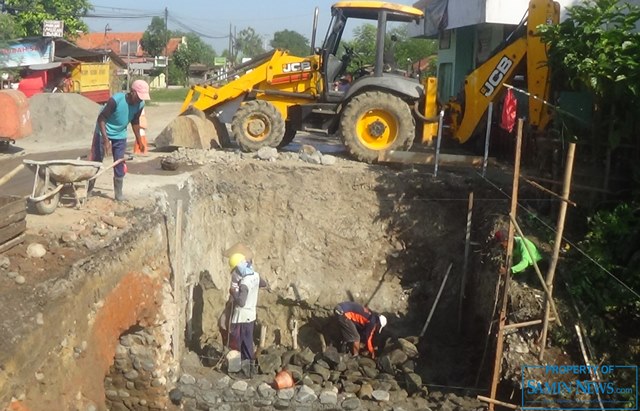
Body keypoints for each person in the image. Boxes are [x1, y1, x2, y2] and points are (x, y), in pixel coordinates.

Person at [88, 79, 150, 201]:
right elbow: (101, 119)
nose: (140, 100)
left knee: (119, 162)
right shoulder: (116, 100)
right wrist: (106, 140)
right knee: (96, 161)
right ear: (132, 92)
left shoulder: (140, 104)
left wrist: (139, 140)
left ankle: (118, 195)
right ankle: (89, 190)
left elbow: (135, 122)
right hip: (103, 131)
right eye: (138, 96)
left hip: (120, 134)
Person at [227, 253, 268, 365]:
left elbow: (241, 302)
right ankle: (249, 367)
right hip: (251, 315)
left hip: (241, 317)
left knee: (237, 343)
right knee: (248, 343)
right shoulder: (255, 275)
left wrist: (234, 292)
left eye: (235, 269)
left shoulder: (244, 283)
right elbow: (263, 284)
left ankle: (237, 367)